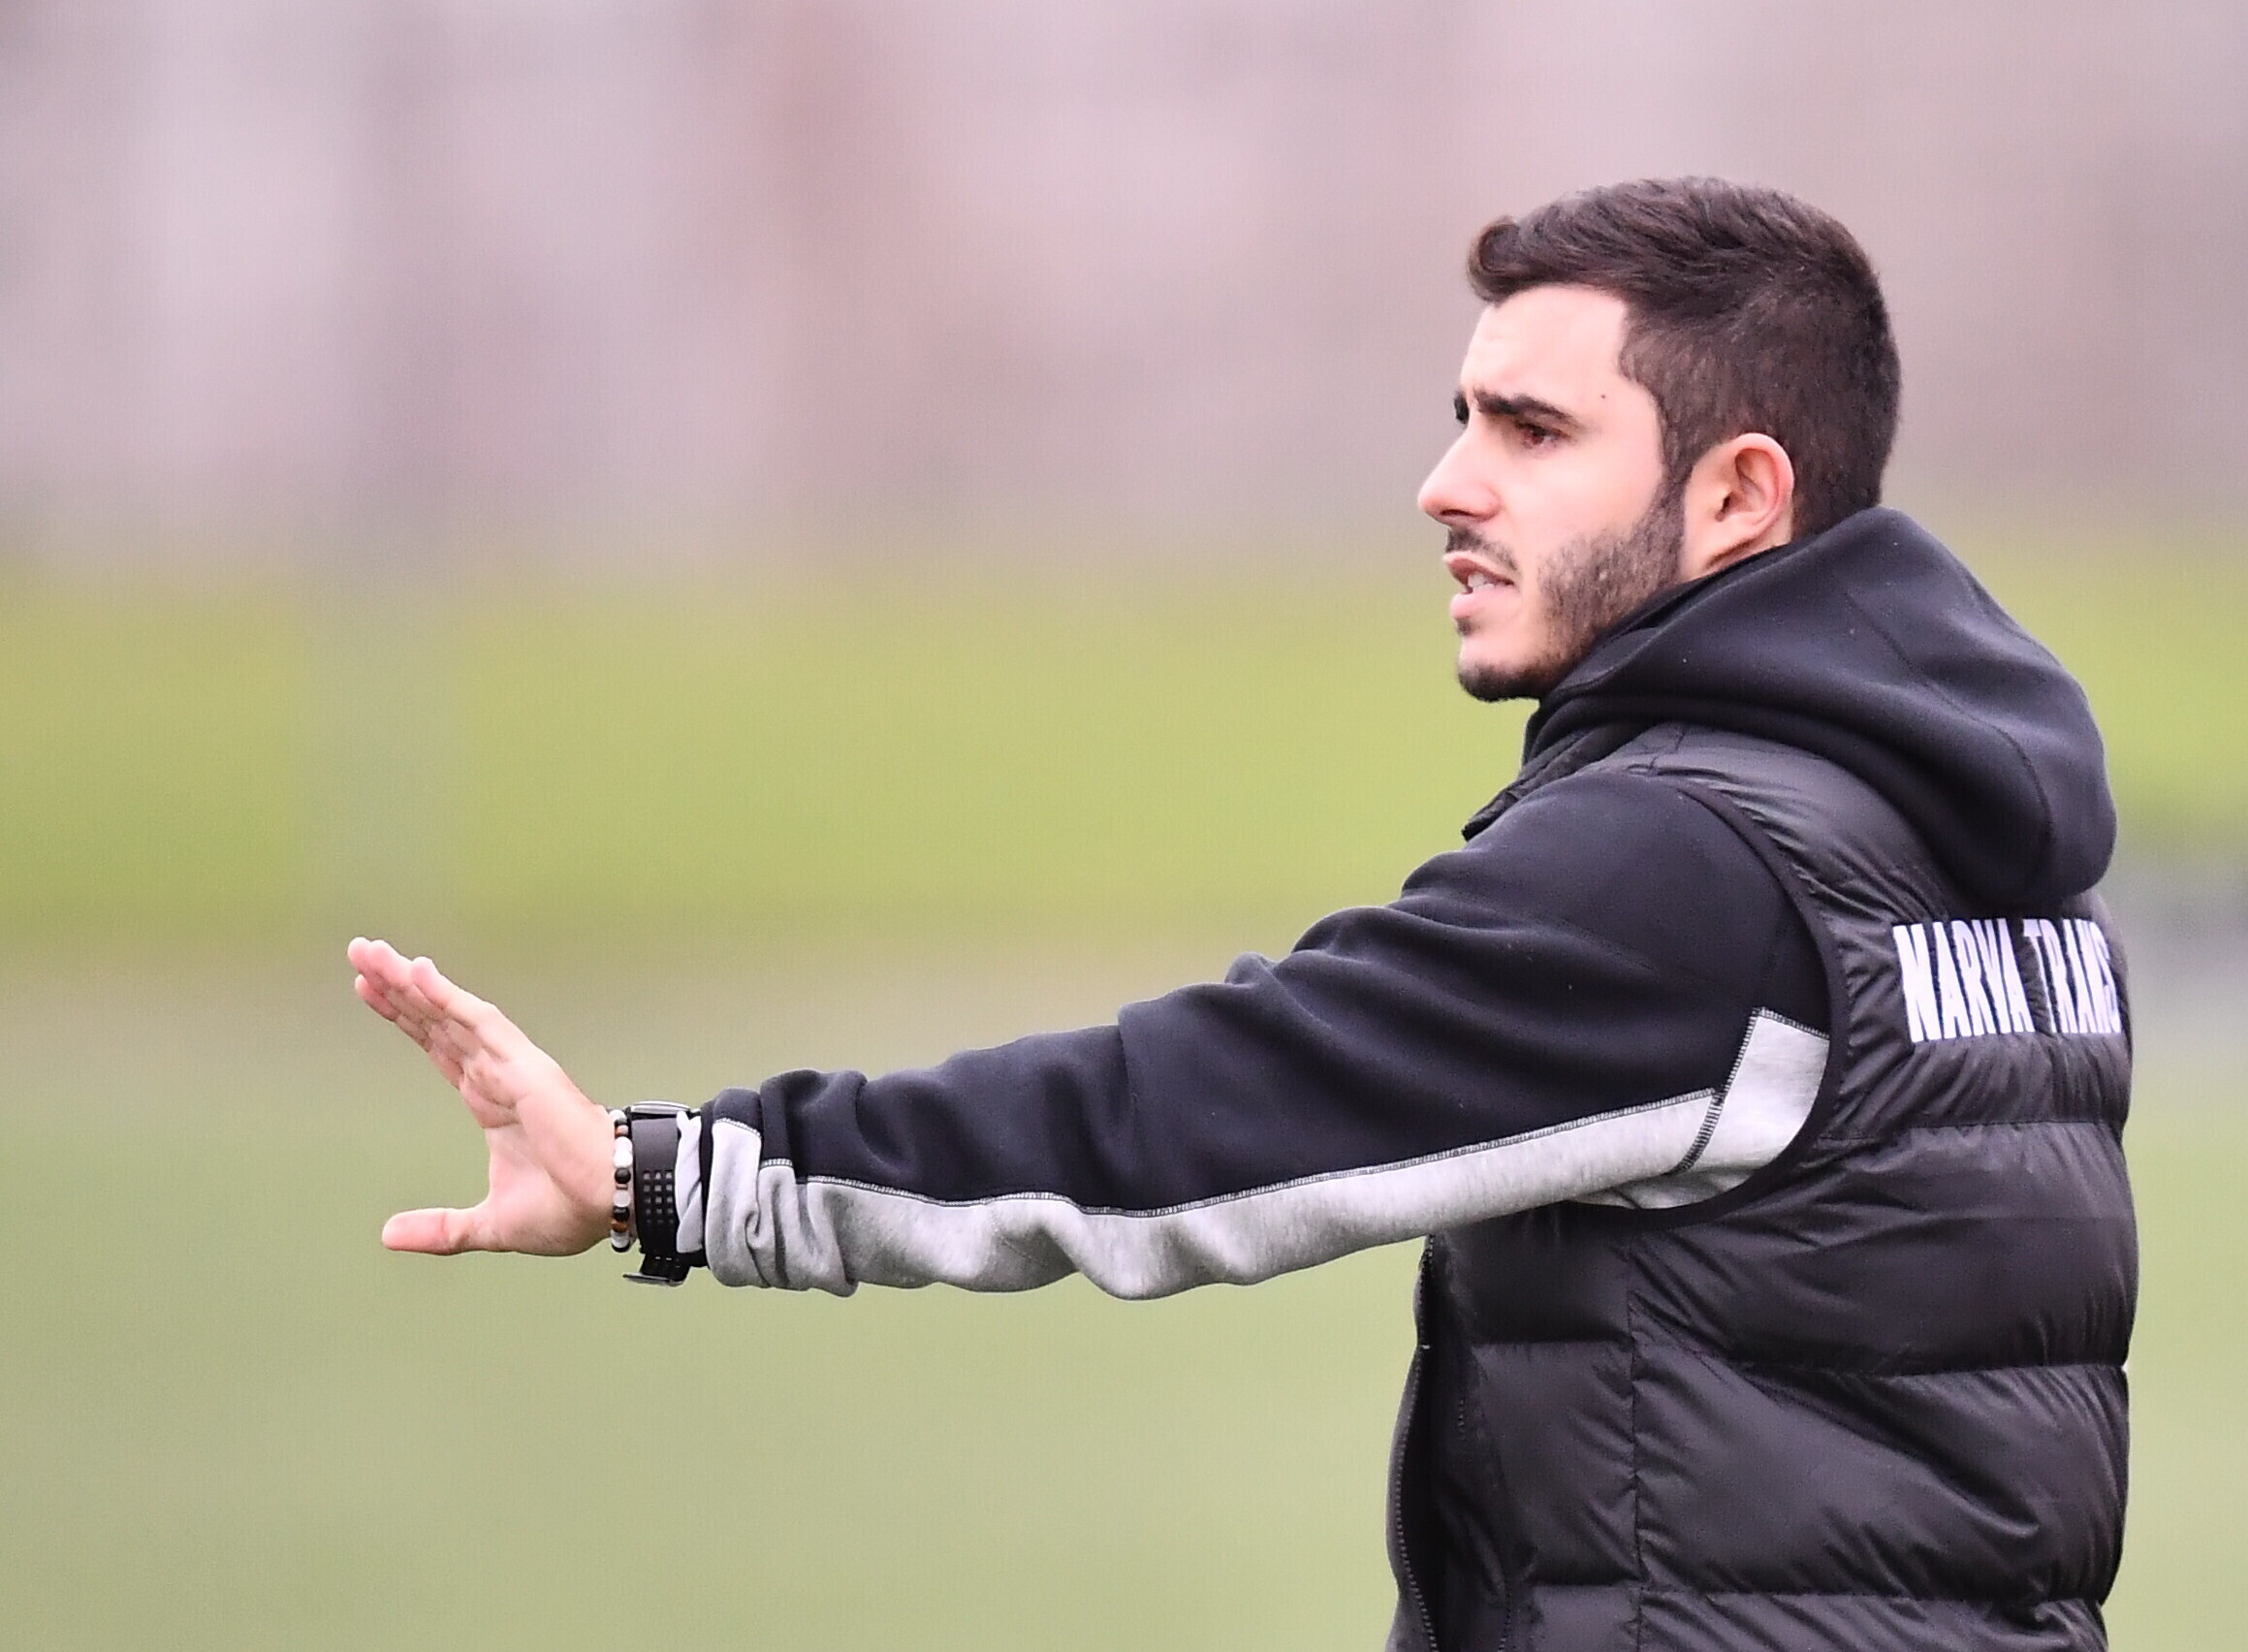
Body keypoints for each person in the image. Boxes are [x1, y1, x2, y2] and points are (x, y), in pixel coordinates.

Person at [351, 177, 2136, 1652]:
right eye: (1463, 418)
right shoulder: (1977, 842)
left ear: (1739, 493)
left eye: (1532, 430)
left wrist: (678, 1174)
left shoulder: (1689, 863)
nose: (1449, 483)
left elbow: (1191, 1115)